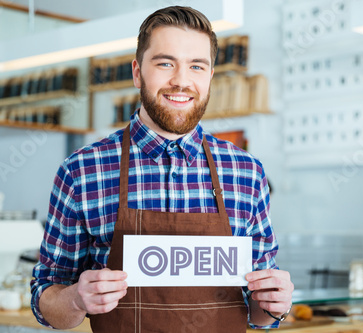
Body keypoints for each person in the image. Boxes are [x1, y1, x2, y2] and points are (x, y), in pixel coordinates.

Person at [31, 5, 293, 333]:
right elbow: (46, 300)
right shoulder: (81, 171)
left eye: (197, 66)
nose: (181, 81)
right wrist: (75, 299)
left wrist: (274, 303)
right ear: (138, 71)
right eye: (165, 63)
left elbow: (259, 314)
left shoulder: (247, 173)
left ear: (210, 76)